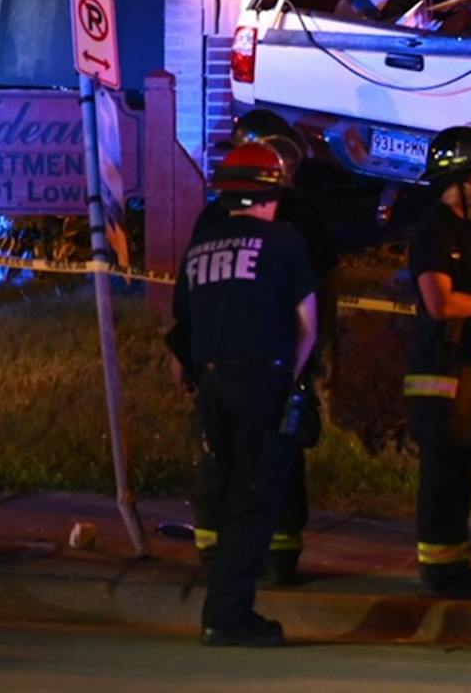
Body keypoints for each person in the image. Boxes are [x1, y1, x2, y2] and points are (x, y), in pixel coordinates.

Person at [178, 110, 340, 585]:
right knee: (246, 465)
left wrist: (311, 363)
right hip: (261, 368)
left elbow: (321, 294)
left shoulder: (296, 220)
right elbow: (192, 303)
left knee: (257, 465)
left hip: (247, 367)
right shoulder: (271, 233)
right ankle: (229, 564)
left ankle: (268, 557)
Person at [170, 142, 318, 647]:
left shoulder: (200, 247)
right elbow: (307, 325)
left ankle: (223, 603)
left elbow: (184, 326)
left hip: (211, 386)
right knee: (256, 499)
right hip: (262, 384)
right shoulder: (285, 242)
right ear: (266, 196)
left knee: (226, 491)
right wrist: (289, 381)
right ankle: (228, 615)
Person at [405, 125, 471, 597]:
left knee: (464, 471)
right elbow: (439, 303)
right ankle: (440, 571)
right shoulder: (433, 231)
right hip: (438, 374)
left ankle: (456, 566)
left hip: (466, 370)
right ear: (459, 178)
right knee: (444, 474)